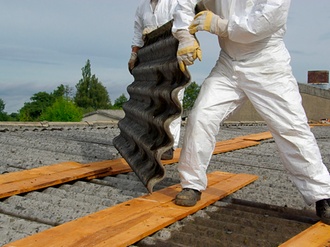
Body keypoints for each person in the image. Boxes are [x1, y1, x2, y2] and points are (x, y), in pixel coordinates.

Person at [171, 0, 330, 224]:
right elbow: (185, 2)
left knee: (291, 128)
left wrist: (219, 25)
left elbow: (260, 25)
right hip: (228, 64)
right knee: (200, 117)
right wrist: (185, 35)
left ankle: (322, 194)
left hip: (267, 63)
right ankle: (191, 184)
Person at [129, 0, 183, 160]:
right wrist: (134, 54)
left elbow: (185, 24)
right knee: (152, 99)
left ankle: (169, 145)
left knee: (173, 99)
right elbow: (138, 32)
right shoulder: (142, 7)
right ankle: (152, 140)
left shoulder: (175, 3)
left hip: (173, 53)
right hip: (151, 55)